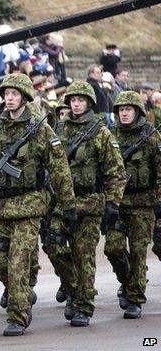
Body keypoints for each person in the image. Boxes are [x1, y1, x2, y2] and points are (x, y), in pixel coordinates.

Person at [0, 73, 76, 336]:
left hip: (29, 206)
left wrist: (68, 205)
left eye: (14, 94)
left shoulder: (40, 129)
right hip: (0, 206)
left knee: (18, 262)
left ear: (25, 97)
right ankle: (22, 293)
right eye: (6, 94)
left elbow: (60, 169)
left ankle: (17, 316)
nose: (9, 98)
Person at [53, 80, 126, 327]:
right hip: (62, 202)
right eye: (72, 100)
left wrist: (113, 203)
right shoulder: (59, 129)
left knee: (83, 256)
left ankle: (84, 306)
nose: (76, 104)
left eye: (80, 100)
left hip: (89, 203)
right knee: (54, 246)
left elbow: (116, 171)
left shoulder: (101, 132)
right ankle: (74, 291)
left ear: (89, 103)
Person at [104, 91, 161, 319]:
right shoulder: (110, 136)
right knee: (113, 248)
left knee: (138, 252)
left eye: (128, 109)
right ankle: (129, 282)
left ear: (137, 111)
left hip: (143, 205)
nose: (123, 113)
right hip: (118, 203)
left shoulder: (151, 137)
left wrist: (159, 200)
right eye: (120, 109)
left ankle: (135, 299)